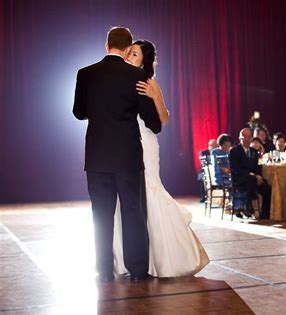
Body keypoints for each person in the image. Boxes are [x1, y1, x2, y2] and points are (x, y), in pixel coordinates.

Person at [113, 39, 209, 278]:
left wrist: (155, 96)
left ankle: (167, 256)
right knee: (128, 195)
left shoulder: (149, 83)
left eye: (134, 55)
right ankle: (132, 257)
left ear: (144, 61)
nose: (129, 57)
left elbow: (163, 119)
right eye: (129, 53)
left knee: (149, 189)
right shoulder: (119, 80)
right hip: (123, 143)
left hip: (145, 142)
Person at [73, 27, 162, 282]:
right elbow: (152, 122)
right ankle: (137, 270)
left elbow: (79, 112)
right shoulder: (135, 75)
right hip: (127, 157)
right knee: (133, 212)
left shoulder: (85, 74)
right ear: (127, 48)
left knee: (100, 214)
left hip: (97, 156)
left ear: (106, 45)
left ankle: (104, 269)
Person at [229, 128, 271, 219]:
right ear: (240, 138)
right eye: (245, 137)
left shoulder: (253, 151)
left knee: (267, 186)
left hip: (253, 179)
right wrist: (253, 175)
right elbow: (236, 169)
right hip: (240, 179)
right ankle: (248, 206)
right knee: (251, 179)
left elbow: (256, 168)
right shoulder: (234, 151)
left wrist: (258, 176)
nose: (247, 139)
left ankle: (264, 213)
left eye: (249, 137)